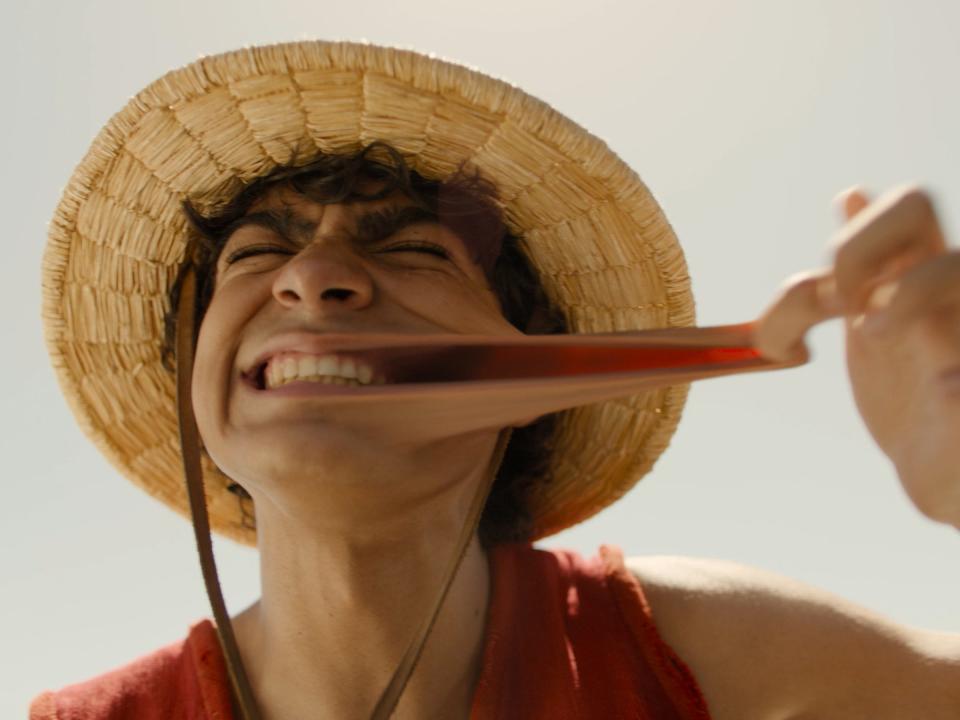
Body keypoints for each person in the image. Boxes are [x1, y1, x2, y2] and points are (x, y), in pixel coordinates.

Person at [31, 40, 960, 719]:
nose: (312, 276)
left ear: (538, 356)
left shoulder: (703, 654)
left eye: (416, 249)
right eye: (259, 250)